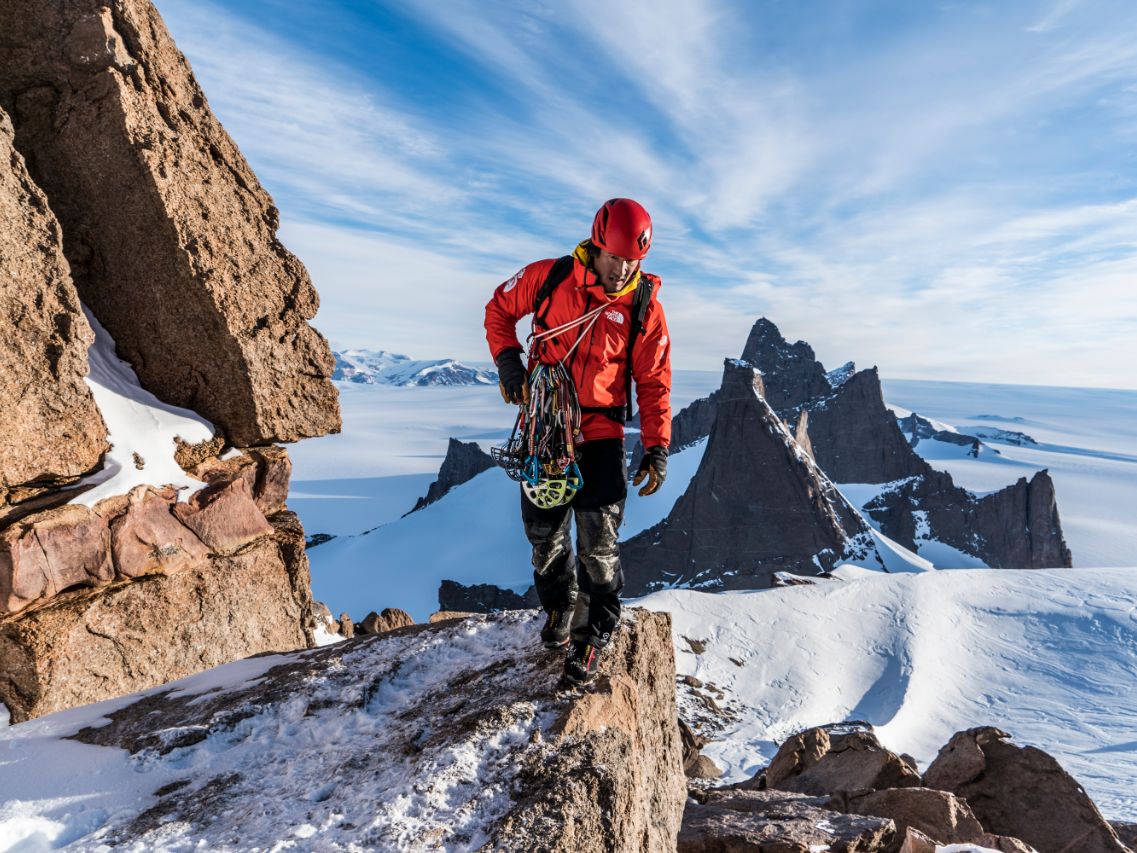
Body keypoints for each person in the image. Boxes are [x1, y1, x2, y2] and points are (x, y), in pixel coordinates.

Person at [484, 198, 672, 686]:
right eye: (615, 258)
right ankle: (560, 608)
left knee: (599, 544)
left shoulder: (643, 305)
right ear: (597, 244)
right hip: (545, 428)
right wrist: (508, 361)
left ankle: (594, 634)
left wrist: (657, 445)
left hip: (602, 435)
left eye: (633, 261)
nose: (623, 269)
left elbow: (653, 380)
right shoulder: (550, 277)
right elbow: (499, 310)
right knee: (544, 536)